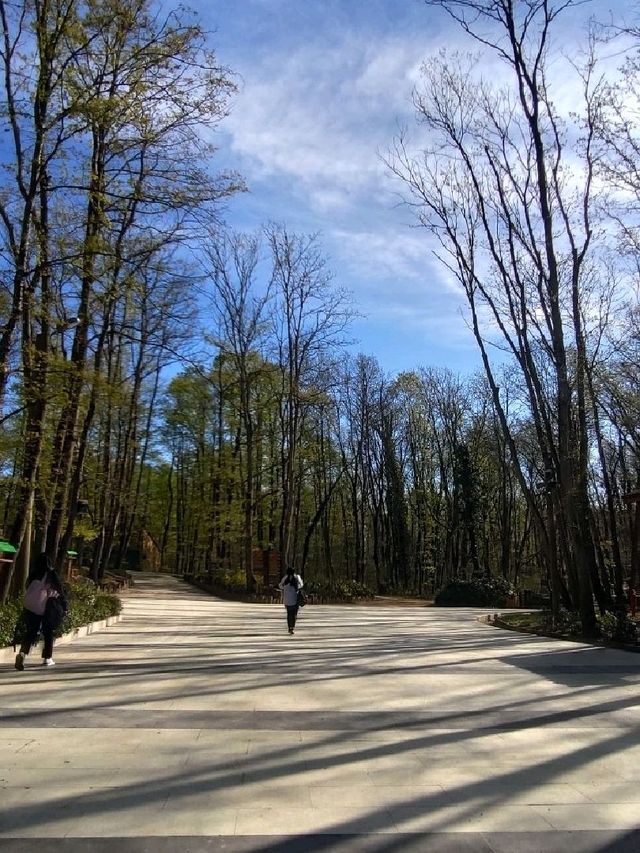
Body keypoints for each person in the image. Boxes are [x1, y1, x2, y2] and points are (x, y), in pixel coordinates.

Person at [14, 553, 66, 671]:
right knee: (48, 632)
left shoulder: (33, 574)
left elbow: (28, 587)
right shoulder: (51, 574)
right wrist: (64, 605)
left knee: (31, 631)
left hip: (30, 607)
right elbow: (60, 590)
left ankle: (22, 653)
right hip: (45, 607)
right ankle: (47, 658)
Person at [278, 565, 304, 634]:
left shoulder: (285, 578)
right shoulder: (297, 577)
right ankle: (292, 626)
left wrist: (285, 588)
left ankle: (289, 627)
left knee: (289, 614)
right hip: (295, 599)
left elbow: (280, 585)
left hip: (287, 599)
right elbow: (301, 585)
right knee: (294, 614)